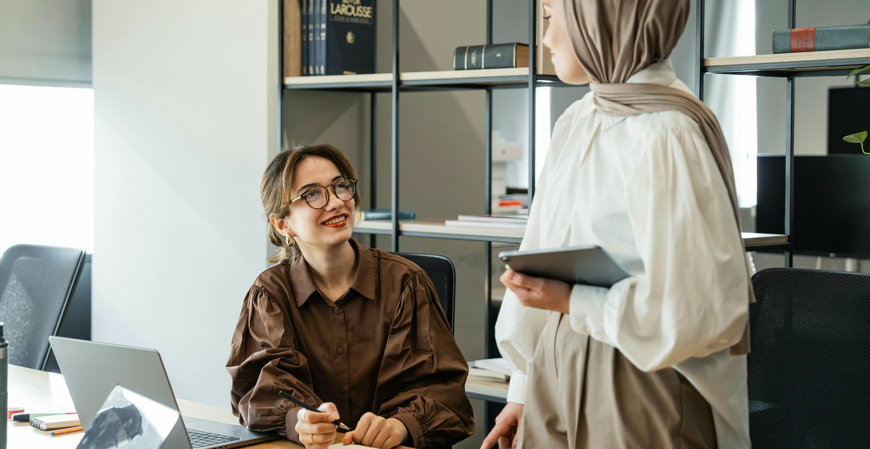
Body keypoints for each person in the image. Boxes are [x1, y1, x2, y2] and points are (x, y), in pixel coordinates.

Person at [480, 0, 753, 448]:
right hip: (554, 363)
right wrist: (524, 388)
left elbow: (700, 310)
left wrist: (574, 300)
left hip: (638, 378)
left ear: (599, 17)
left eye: (550, 17)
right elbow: (543, 247)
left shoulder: (668, 131)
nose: (545, 39)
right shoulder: (577, 120)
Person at [227, 144, 474, 449]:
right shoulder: (270, 294)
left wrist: (399, 426)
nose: (336, 202)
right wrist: (299, 420)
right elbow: (257, 390)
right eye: (312, 194)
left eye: (340, 186)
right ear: (282, 224)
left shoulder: (406, 282)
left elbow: (445, 392)